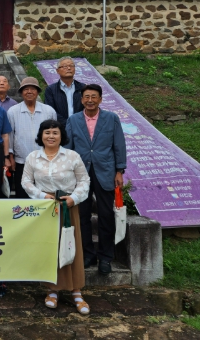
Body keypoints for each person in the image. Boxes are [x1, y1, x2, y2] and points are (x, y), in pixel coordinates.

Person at [22, 119, 91, 315]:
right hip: (45, 209)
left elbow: (84, 180)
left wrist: (74, 198)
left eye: (55, 133)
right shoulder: (33, 157)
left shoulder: (72, 156)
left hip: (68, 207)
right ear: (41, 135)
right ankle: (52, 290)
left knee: (71, 245)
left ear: (61, 136)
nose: (51, 136)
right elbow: (26, 181)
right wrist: (41, 196)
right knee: (49, 247)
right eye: (47, 132)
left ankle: (76, 292)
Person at [65, 84, 127, 275]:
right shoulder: (73, 119)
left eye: (94, 97)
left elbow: (119, 145)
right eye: (86, 97)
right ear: (81, 99)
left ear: (100, 99)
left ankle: (106, 257)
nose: (90, 100)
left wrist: (119, 171)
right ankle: (88, 254)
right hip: (80, 173)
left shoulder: (111, 118)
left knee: (106, 215)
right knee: (82, 215)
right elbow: (68, 147)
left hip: (105, 171)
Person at [7, 77, 57, 198]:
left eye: (33, 89)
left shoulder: (49, 111)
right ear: (21, 92)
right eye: (26, 89)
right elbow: (10, 135)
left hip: (46, 161)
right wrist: (11, 157)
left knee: (45, 195)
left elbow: (55, 136)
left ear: (38, 92)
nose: (29, 92)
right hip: (22, 161)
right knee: (23, 195)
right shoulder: (13, 111)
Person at [44, 57, 84, 126]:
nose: (69, 68)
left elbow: (87, 107)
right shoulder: (51, 90)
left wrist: (78, 123)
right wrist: (67, 124)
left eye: (71, 66)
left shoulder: (83, 88)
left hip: (80, 126)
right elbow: (50, 110)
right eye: (65, 66)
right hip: (59, 127)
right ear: (57, 71)